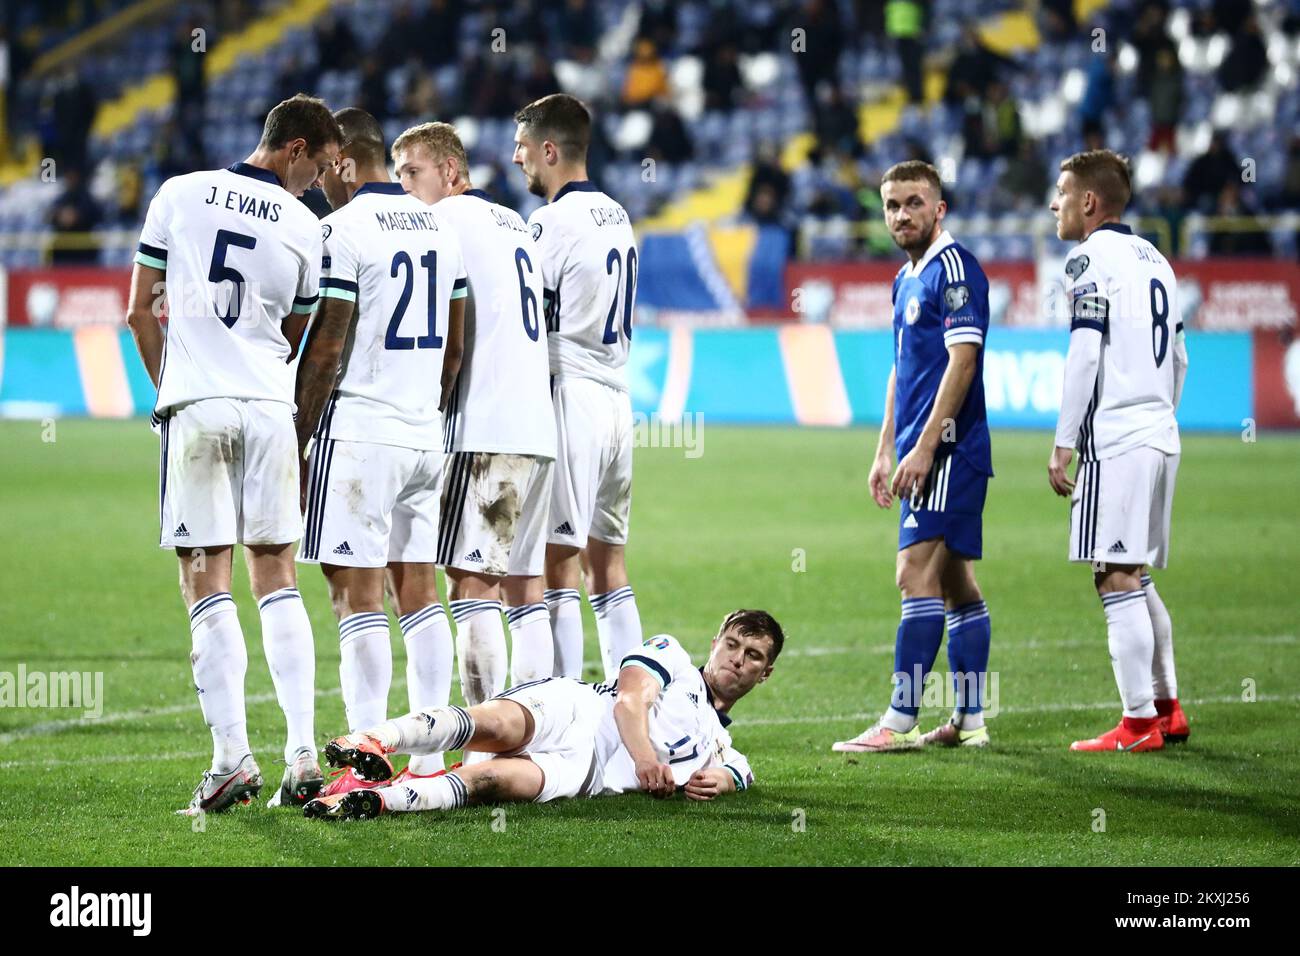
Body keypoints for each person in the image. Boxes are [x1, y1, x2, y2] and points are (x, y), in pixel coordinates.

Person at [124, 94, 342, 813]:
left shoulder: (180, 194)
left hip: (201, 405)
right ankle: (304, 753)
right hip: (271, 410)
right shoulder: (307, 227)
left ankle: (229, 761)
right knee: (277, 575)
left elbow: (137, 310)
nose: (315, 184)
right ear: (295, 147)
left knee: (205, 578)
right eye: (315, 170)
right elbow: (293, 331)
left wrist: (173, 390)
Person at [293, 108, 467, 796]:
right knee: (419, 592)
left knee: (355, 597)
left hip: (361, 435)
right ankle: (428, 760)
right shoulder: (440, 228)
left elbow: (328, 344)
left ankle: (365, 758)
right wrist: (428, 409)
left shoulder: (339, 230)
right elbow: (456, 347)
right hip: (425, 433)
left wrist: (297, 437)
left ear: (341, 164)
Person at [302, 610, 784, 819]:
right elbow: (630, 701)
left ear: (765, 674)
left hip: (583, 773)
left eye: (753, 656)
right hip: (575, 710)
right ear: (714, 643)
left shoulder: (722, 748)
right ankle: (370, 740)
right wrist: (643, 758)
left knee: (491, 783)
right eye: (732, 645)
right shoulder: (673, 656)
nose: (737, 660)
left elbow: (739, 773)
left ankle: (372, 802)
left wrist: (719, 781)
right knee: (496, 725)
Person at [390, 120, 557, 706]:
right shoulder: (514, 222)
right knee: (525, 587)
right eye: (397, 175)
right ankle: (534, 730)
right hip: (539, 428)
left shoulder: (443, 223)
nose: (404, 188)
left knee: (471, 586)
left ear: (451, 173)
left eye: (413, 173)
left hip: (485, 427)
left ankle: (484, 743)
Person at [832, 160, 995, 753]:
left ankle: (899, 722)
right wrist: (885, 449)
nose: (902, 214)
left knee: (913, 575)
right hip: (922, 450)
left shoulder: (954, 269)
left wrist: (926, 448)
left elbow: (963, 361)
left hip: (951, 450)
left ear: (939, 209)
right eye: (892, 205)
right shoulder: (905, 279)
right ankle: (971, 720)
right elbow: (904, 370)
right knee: (956, 583)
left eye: (914, 203)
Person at [1047, 149, 1189, 752]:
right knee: (1137, 574)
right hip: (1161, 432)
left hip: (1117, 436)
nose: (1053, 204)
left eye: (1061, 192)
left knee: (1115, 577)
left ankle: (1136, 725)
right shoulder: (1159, 261)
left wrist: (1063, 442)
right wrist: (1159, 415)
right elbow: (1180, 358)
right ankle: (1167, 708)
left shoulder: (1087, 259)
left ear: (1088, 201)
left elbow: (1084, 353)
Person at [511, 94, 643, 682]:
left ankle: (564, 705)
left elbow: (528, 317)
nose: (517, 159)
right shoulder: (618, 213)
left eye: (522, 147)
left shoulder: (550, 222)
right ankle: (629, 701)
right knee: (608, 563)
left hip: (573, 395)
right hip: (618, 400)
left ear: (548, 149)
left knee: (555, 562)